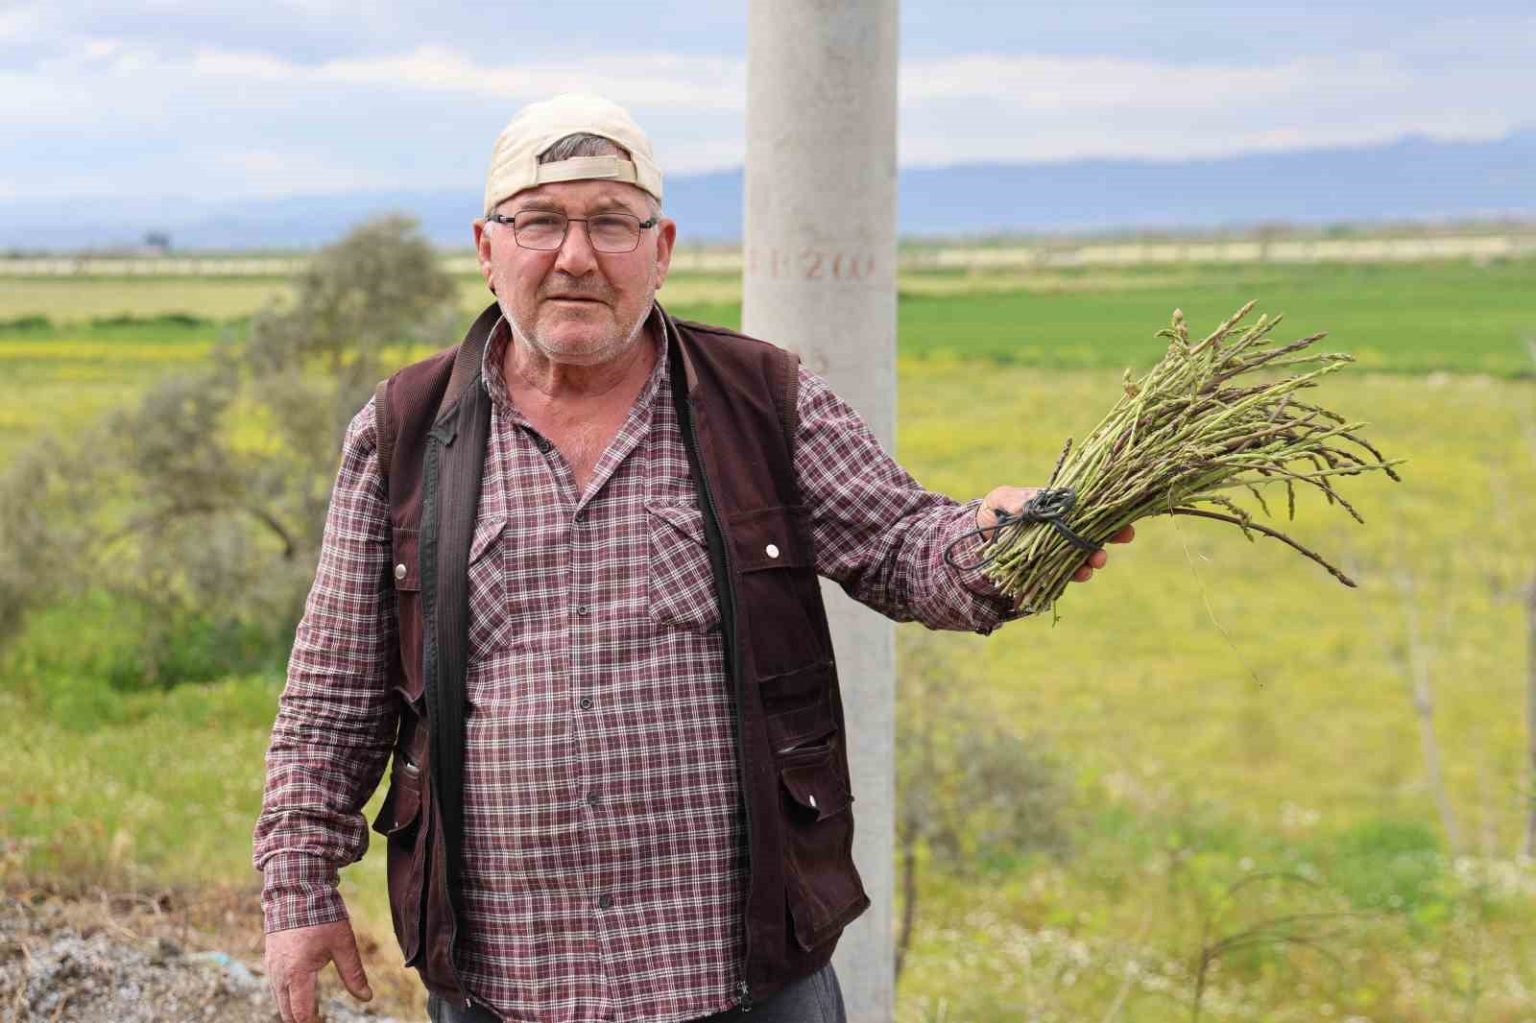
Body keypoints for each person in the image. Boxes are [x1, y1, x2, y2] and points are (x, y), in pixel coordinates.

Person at [253, 94, 1133, 1023]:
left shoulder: (760, 400)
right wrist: (299, 886)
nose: (576, 256)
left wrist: (1006, 543)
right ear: (487, 247)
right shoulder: (405, 429)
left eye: (611, 223)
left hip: (741, 974)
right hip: (505, 978)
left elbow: (905, 545)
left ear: (662, 248)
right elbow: (332, 692)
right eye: (540, 221)